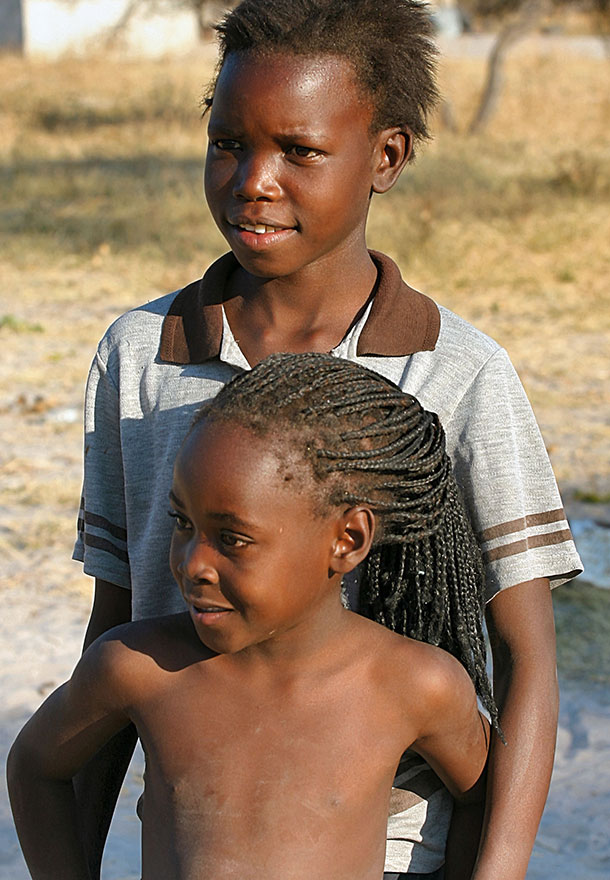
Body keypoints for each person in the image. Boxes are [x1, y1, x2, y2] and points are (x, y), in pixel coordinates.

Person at [72, 0, 582, 879]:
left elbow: (528, 657)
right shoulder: (139, 356)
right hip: (203, 833)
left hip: (390, 848)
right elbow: (116, 624)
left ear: (385, 157)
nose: (253, 180)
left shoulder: (457, 372)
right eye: (227, 142)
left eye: (298, 151)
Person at [9, 355, 494, 880]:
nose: (193, 564)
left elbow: (481, 800)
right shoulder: (138, 668)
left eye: (232, 539)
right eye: (182, 522)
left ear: (348, 539)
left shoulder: (415, 684)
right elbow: (36, 766)